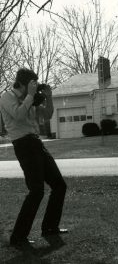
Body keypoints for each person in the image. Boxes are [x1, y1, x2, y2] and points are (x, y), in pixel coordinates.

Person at [0, 68, 68, 248]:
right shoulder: (7, 97)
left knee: (59, 185)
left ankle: (50, 228)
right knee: (36, 191)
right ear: (22, 82)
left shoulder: (31, 98)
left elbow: (47, 116)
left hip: (36, 143)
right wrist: (30, 96)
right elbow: (18, 115)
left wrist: (49, 97)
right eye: (32, 84)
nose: (35, 87)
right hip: (23, 145)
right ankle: (18, 237)